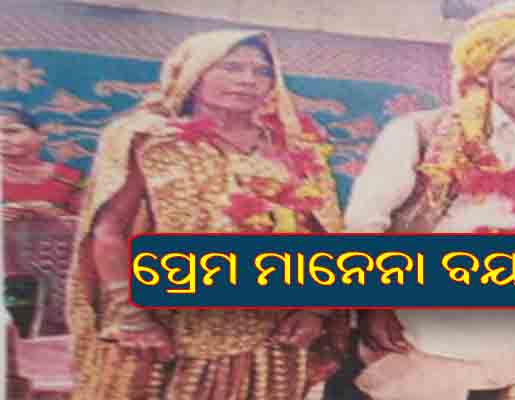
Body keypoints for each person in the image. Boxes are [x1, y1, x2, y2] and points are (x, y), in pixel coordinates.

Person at [343, 1, 515, 399]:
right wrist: (374, 305)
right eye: (514, 59)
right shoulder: (420, 131)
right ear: (486, 63)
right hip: (412, 317)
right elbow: (364, 223)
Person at [66, 29, 349, 400]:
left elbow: (325, 232)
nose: (247, 80)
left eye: (261, 71)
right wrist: (131, 315)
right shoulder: (148, 139)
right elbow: (109, 231)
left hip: (272, 334)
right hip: (172, 330)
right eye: (231, 67)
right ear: (192, 73)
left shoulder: (296, 146)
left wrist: (316, 309)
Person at [1, 106, 82, 221]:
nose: (2, 139)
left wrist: (55, 214)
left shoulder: (71, 178)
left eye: (12, 131)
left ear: (42, 135)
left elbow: (95, 225)